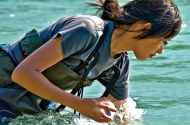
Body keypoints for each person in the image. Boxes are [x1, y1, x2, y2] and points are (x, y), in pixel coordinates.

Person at [0, 0, 181, 124]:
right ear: (144, 28)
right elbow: (22, 73)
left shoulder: (119, 66)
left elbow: (121, 112)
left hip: (29, 104)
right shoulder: (87, 31)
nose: (161, 50)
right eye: (163, 41)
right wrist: (80, 105)